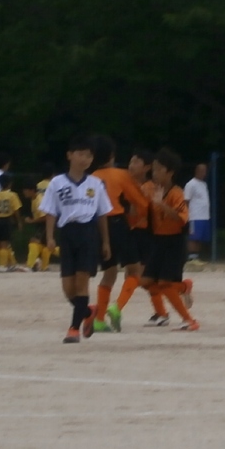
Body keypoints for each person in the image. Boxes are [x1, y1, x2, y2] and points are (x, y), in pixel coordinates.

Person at [90, 139, 168, 332]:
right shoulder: (120, 174)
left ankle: (99, 320)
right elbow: (140, 202)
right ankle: (117, 307)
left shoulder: (91, 177)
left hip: (97, 226)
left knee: (109, 273)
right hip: (118, 223)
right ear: (111, 156)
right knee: (135, 271)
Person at [41, 135, 113, 344]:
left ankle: (74, 329)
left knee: (82, 282)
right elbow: (50, 211)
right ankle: (87, 311)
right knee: (68, 287)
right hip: (67, 233)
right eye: (81, 154)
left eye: (89, 156)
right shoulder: (57, 183)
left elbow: (102, 214)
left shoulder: (96, 184)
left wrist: (106, 242)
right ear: (70, 155)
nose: (85, 159)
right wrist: (50, 237)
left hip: (88, 233)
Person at [110, 149, 174, 328]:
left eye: (136, 162)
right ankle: (162, 312)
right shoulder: (124, 183)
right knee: (141, 278)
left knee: (138, 276)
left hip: (146, 235)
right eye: (131, 161)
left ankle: (117, 307)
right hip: (131, 233)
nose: (131, 165)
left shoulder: (149, 187)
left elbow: (148, 211)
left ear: (147, 167)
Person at [140, 148, 200, 331]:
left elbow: (182, 218)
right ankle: (178, 293)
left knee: (165, 285)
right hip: (157, 241)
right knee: (146, 281)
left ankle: (189, 320)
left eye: (159, 169)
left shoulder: (176, 193)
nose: (155, 173)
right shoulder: (150, 188)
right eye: (154, 169)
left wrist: (161, 205)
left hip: (174, 243)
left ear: (170, 172)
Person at [0, 172, 24, 272]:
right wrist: (19, 221)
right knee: (4, 243)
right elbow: (16, 210)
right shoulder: (12, 195)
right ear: (10, 183)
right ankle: (2, 265)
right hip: (6, 220)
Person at [185, 162, 211, 260]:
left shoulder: (204, 184)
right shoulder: (190, 184)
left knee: (199, 238)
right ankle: (191, 258)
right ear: (196, 171)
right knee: (193, 237)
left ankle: (196, 257)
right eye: (202, 171)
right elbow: (186, 201)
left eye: (205, 171)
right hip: (194, 216)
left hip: (204, 216)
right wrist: (186, 215)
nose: (204, 173)